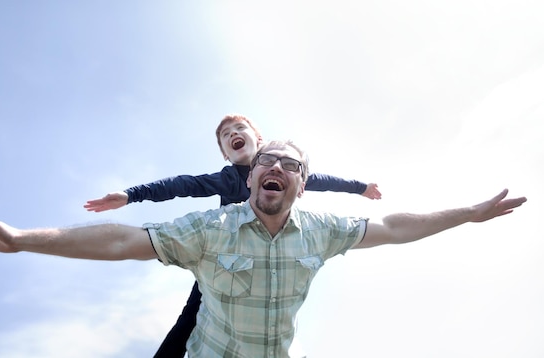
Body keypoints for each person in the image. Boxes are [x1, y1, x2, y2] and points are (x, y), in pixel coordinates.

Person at [0, 140, 526, 358]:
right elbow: (124, 240)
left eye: (290, 165)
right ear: (248, 178)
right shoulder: (210, 228)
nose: (275, 167)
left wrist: (469, 214)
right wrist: (23, 241)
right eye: (266, 160)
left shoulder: (322, 229)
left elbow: (397, 226)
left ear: (302, 183)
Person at [83, 114, 382, 357]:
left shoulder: (284, 168)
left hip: (275, 257)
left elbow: (325, 181)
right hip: (227, 264)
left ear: (259, 140)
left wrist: (361, 187)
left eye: (240, 128)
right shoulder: (227, 178)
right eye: (226, 135)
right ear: (226, 153)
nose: (233, 133)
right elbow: (181, 185)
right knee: (190, 318)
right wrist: (130, 195)